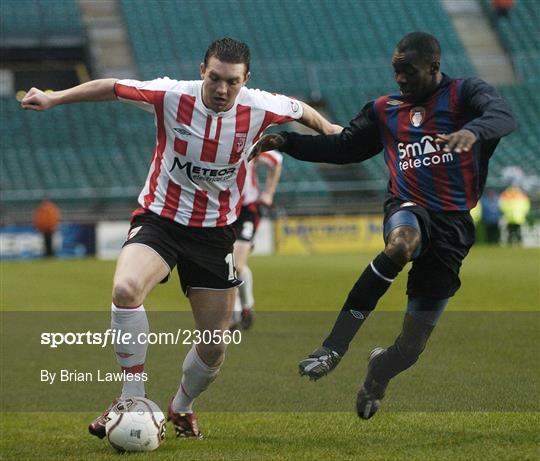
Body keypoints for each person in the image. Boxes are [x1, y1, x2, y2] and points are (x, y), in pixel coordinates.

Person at [21, 37, 340, 438]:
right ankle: (131, 397)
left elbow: (301, 109)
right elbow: (110, 85)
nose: (223, 89)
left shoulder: (261, 106)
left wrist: (328, 128)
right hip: (161, 220)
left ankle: (181, 406)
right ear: (202, 70)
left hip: (214, 234)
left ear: (246, 80)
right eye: (215, 79)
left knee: (213, 348)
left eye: (233, 82)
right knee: (125, 288)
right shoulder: (170, 95)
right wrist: (54, 97)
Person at [251, 32, 516, 419]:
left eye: (407, 71)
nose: (400, 80)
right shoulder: (384, 109)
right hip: (406, 206)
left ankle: (378, 373)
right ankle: (333, 347)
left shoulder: (464, 95)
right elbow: (345, 147)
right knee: (401, 244)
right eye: (396, 71)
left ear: (433, 68)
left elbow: (504, 115)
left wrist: (472, 131)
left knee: (411, 347)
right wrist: (287, 142)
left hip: (453, 227)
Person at [230, 149, 283, 330]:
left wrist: (269, 193)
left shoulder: (247, 146)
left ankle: (244, 307)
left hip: (247, 211)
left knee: (236, 265)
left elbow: (276, 160)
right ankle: (236, 313)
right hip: (221, 210)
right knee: (225, 265)